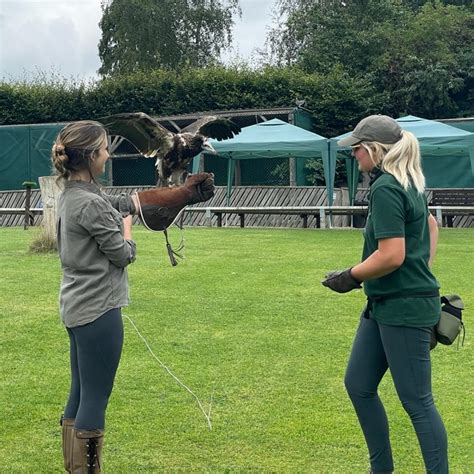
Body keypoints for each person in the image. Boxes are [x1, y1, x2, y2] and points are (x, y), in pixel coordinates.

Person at [51, 120, 214, 473]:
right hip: (99, 311)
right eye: (105, 149)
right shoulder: (90, 205)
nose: (109, 155)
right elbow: (123, 254)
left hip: (76, 307)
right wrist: (126, 228)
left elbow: (125, 201)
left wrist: (179, 194)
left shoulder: (72, 195)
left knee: (79, 392)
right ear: (93, 156)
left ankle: (73, 468)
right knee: (95, 398)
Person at [322, 115, 447, 473]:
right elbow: (431, 224)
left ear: (375, 150)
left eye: (358, 149)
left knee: (418, 401)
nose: (354, 155)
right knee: (358, 385)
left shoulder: (387, 187)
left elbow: (392, 254)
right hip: (385, 304)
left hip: (403, 310)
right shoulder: (407, 182)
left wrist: (351, 276)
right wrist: (422, 271)